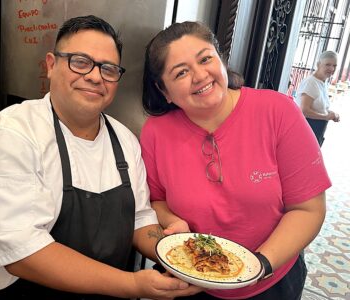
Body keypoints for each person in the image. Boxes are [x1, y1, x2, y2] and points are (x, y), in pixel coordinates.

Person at [0, 15, 201, 300]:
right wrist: (133, 285)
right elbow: (21, 252)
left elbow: (139, 218)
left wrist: (169, 249)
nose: (94, 76)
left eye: (109, 69)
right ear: (51, 65)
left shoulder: (125, 140)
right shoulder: (12, 134)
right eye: (80, 62)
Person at [140, 21, 330, 300]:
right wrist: (173, 224)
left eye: (205, 59)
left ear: (221, 60)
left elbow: (308, 210)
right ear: (164, 91)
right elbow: (157, 201)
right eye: (181, 72)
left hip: (270, 280)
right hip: (191, 278)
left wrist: (258, 266)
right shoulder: (156, 133)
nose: (199, 75)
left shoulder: (278, 112)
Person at [295, 50, 340, 146]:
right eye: (328, 64)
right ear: (318, 64)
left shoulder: (323, 82)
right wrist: (326, 116)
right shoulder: (311, 82)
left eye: (334, 65)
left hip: (316, 131)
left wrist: (331, 113)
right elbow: (304, 110)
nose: (332, 68)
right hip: (307, 131)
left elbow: (319, 106)